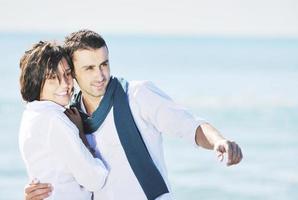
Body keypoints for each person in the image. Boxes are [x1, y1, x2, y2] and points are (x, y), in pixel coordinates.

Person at [25, 30, 243, 200]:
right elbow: (61, 175)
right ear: (72, 74)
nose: (100, 75)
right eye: (89, 68)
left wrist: (218, 141)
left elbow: (189, 126)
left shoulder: (137, 95)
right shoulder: (68, 118)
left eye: (104, 64)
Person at [19, 41, 108, 200]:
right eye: (53, 77)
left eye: (67, 73)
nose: (65, 84)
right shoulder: (54, 120)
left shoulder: (31, 115)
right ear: (36, 81)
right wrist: (81, 135)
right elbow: (95, 179)